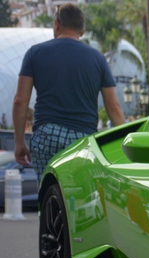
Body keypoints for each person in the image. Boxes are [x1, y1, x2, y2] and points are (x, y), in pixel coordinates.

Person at [12, 3, 125, 181]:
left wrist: (19, 143)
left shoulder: (35, 53)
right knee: (79, 195)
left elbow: (20, 101)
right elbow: (113, 106)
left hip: (47, 135)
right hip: (82, 139)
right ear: (82, 31)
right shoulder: (98, 59)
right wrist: (125, 144)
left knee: (49, 194)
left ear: (57, 24)